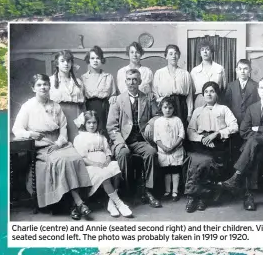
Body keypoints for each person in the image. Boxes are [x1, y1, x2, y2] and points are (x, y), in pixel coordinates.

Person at [12, 74, 92, 220]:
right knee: (61, 162)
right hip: (41, 147)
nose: (43, 87)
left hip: (58, 143)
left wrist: (59, 142)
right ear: (33, 88)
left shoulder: (55, 105)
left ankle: (74, 204)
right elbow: (17, 130)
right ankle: (78, 203)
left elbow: (63, 127)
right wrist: (31, 133)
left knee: (75, 158)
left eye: (45, 84)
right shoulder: (28, 106)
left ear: (50, 86)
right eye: (39, 85)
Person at [220, 77, 263, 211]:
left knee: (252, 144)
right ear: (258, 90)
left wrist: (258, 129)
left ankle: (238, 181)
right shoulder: (252, 108)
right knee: (254, 149)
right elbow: (243, 131)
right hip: (256, 148)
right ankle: (248, 194)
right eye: (261, 87)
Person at [106, 68, 161, 208]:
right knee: (123, 154)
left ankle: (149, 191)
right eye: (129, 80)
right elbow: (111, 127)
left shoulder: (147, 98)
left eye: (135, 80)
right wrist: (120, 142)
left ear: (140, 81)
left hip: (140, 140)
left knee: (151, 152)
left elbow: (158, 115)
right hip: (122, 140)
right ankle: (127, 193)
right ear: (125, 82)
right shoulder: (118, 100)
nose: (131, 83)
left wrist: (151, 123)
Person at [184, 81, 238, 213]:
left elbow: (234, 126)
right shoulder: (197, 111)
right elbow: (190, 130)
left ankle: (200, 197)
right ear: (203, 95)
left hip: (218, 144)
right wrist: (202, 138)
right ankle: (194, 197)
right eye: (206, 92)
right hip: (200, 143)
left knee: (207, 162)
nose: (209, 94)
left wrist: (217, 134)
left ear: (217, 94)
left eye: (212, 91)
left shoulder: (223, 109)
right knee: (198, 161)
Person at [73, 110, 132, 217]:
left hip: (104, 163)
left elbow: (108, 152)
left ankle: (111, 202)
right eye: (89, 122)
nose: (92, 125)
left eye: (94, 122)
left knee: (116, 167)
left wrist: (107, 161)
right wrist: (96, 164)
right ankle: (119, 203)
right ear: (84, 124)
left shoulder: (101, 136)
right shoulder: (79, 138)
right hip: (90, 166)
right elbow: (82, 157)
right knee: (104, 175)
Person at [224, 59, 260, 158]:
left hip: (250, 123)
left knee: (248, 149)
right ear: (236, 70)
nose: (242, 71)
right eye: (240, 69)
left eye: (245, 69)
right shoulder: (231, 86)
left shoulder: (256, 86)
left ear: (250, 70)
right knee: (235, 148)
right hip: (234, 122)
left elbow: (258, 105)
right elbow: (227, 106)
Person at [153, 97, 186, 201]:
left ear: (174, 109)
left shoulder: (177, 120)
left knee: (175, 170)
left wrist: (174, 146)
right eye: (165, 107)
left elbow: (181, 135)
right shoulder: (158, 121)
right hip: (164, 151)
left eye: (170, 108)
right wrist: (164, 147)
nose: (168, 110)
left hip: (175, 149)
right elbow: (156, 137)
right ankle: (167, 190)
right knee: (166, 171)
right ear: (161, 108)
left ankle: (175, 191)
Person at [152, 44, 193, 127]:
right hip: (165, 105)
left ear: (179, 56)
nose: (173, 56)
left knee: (180, 131)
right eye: (170, 54)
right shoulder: (159, 73)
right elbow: (155, 92)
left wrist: (189, 114)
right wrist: (162, 104)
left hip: (181, 106)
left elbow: (189, 96)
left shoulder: (185, 74)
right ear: (166, 56)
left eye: (176, 53)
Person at [49, 50, 85, 142]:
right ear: (57, 63)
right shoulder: (50, 81)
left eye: (68, 61)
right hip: (58, 118)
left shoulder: (79, 82)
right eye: (62, 61)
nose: (66, 64)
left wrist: (81, 122)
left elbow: (82, 106)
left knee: (77, 144)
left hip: (75, 119)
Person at [81, 46, 117, 133]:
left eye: (98, 58)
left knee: (104, 132)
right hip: (89, 108)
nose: (95, 61)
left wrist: (113, 97)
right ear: (88, 60)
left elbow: (113, 95)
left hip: (104, 109)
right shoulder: (83, 78)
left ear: (102, 60)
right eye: (92, 58)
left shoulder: (108, 77)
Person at [190, 41, 226, 109]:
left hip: (216, 101)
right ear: (200, 53)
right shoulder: (194, 71)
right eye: (202, 50)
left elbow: (224, 88)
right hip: (200, 101)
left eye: (207, 49)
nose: (205, 52)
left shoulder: (220, 68)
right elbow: (191, 92)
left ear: (212, 52)